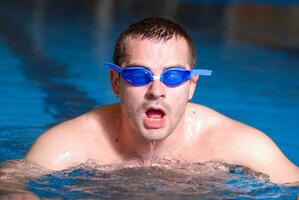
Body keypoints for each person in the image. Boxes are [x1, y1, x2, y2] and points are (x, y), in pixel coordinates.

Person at [25, 17, 299, 184]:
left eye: (174, 76)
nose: (156, 90)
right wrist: (17, 192)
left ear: (191, 85)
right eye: (138, 74)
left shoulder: (234, 143)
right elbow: (10, 180)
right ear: (116, 82)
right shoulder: (74, 141)